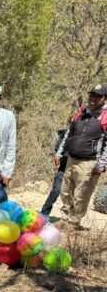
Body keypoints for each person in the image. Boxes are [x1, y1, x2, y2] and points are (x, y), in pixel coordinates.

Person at [55, 83, 107, 229]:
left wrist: (101, 164)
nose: (93, 99)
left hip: (90, 162)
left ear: (105, 98)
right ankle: (65, 218)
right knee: (65, 190)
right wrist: (59, 152)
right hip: (71, 158)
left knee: (81, 194)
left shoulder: (105, 117)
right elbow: (69, 133)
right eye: (92, 95)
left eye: (98, 96)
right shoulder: (83, 112)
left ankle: (74, 222)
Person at [40, 128, 68, 216]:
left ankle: (68, 218)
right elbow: (58, 149)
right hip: (63, 168)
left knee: (72, 195)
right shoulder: (66, 134)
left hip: (76, 168)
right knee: (56, 191)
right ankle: (44, 213)